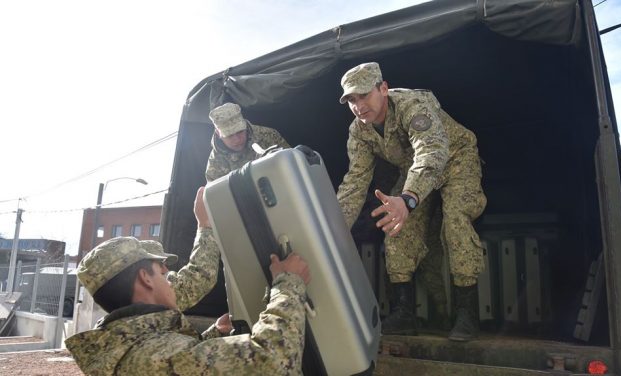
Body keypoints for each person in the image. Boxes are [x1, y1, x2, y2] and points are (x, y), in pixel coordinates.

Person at [336, 62, 487, 341]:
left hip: (455, 160)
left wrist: (408, 198)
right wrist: (334, 229)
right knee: (396, 227)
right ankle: (404, 313)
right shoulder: (359, 131)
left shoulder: (412, 105)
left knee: (455, 222)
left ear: (383, 88)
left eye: (364, 95)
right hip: (414, 170)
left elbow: (431, 151)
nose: (358, 106)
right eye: (352, 100)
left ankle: (468, 314)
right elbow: (355, 181)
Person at [65, 234, 311, 374]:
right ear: (145, 278)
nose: (167, 272)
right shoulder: (158, 356)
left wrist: (211, 336)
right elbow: (273, 360)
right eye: (160, 270)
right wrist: (288, 283)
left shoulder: (123, 346)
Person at [140, 186, 220, 312]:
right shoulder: (151, 301)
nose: (166, 270)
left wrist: (215, 331)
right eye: (160, 265)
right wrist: (204, 225)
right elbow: (200, 276)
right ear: (144, 277)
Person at [205, 102, 290, 181]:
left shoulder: (268, 135)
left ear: (244, 124)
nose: (237, 139)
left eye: (240, 132)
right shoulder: (215, 163)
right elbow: (218, 195)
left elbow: (291, 162)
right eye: (229, 136)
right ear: (218, 133)